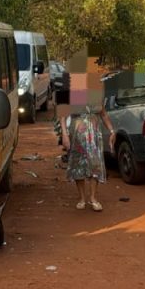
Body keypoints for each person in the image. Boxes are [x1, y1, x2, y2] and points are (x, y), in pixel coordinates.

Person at [61, 71, 115, 211]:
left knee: (95, 165)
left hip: (94, 137)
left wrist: (111, 131)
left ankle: (93, 198)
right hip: (77, 136)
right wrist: (65, 135)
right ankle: (82, 198)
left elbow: (103, 115)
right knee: (78, 165)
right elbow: (63, 116)